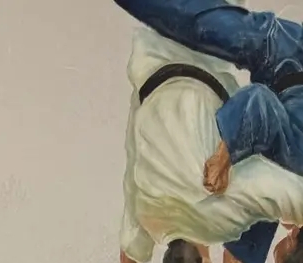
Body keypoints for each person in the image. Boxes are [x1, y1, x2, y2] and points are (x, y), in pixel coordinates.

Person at [85, 18, 303, 263]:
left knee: (260, 179)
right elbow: (131, 228)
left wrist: (292, 214)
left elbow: (276, 189)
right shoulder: (148, 213)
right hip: (152, 59)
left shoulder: (219, 216)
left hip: (209, 50)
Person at [115, 0, 303, 192]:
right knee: (204, 23)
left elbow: (262, 104)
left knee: (206, 23)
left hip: (284, 50)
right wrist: (224, 157)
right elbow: (260, 103)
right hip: (282, 54)